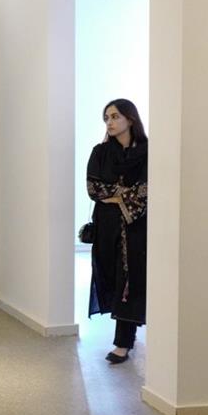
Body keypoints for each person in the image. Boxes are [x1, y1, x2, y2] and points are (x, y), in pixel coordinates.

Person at [86, 99, 147, 363]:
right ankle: (129, 331)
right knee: (111, 275)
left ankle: (123, 341)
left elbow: (146, 190)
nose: (109, 122)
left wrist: (115, 196)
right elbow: (93, 189)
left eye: (115, 116)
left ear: (130, 119)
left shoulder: (147, 152)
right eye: (106, 118)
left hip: (136, 227)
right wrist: (124, 193)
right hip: (107, 226)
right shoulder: (100, 153)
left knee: (130, 279)